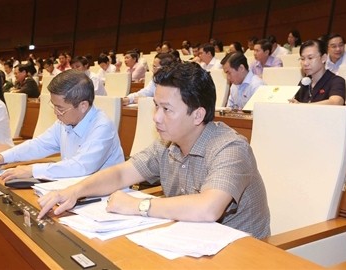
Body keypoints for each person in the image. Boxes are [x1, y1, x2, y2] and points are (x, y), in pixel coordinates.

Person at [37, 62, 271, 240]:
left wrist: (138, 206)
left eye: (167, 109)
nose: (156, 117)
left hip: (240, 253)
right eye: (156, 106)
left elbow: (209, 208)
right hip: (187, 241)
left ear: (198, 114)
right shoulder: (167, 143)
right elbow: (121, 174)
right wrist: (75, 191)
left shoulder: (230, 148)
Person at [0, 69, 124, 180]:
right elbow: (39, 145)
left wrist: (31, 170)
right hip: (72, 188)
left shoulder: (102, 127)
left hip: (105, 199)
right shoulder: (64, 121)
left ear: (83, 106)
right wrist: (2, 158)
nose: (55, 112)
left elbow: (81, 167)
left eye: (60, 108)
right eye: (53, 105)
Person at [291, 39, 345, 105]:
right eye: (302, 59)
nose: (305, 63)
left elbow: (336, 102)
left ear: (323, 58)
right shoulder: (304, 82)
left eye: (310, 58)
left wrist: (302, 106)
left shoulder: (336, 81)